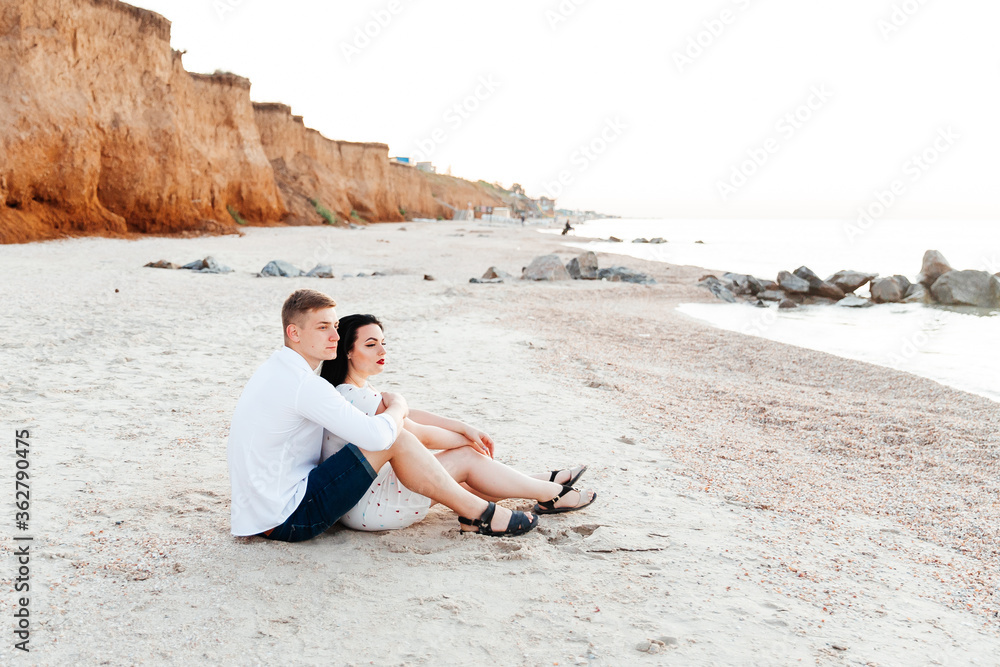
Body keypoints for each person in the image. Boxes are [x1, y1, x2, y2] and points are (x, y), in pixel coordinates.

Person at [227, 289, 538, 542]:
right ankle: (481, 514)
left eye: (335, 327)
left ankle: (522, 490)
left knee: (398, 438)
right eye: (323, 327)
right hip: (288, 518)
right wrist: (398, 406)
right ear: (293, 332)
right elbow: (378, 437)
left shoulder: (275, 369)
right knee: (393, 438)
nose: (334, 336)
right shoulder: (305, 385)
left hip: (261, 512)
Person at [320, 314, 597, 532]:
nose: (382, 349)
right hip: (371, 506)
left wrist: (462, 426)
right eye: (371, 344)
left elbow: (409, 414)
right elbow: (418, 435)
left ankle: (538, 482)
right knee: (465, 459)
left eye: (383, 342)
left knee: (469, 481)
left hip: (365, 500)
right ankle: (551, 493)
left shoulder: (353, 392)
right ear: (347, 352)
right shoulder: (354, 397)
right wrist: (466, 441)